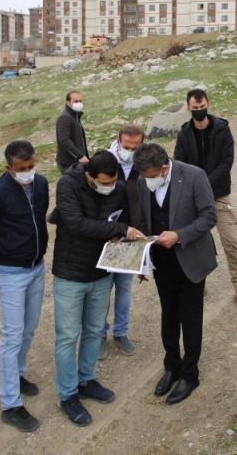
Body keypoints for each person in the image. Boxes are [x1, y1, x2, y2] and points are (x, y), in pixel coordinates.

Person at [51, 150, 144, 426]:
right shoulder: (68, 185)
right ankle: (68, 395)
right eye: (103, 182)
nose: (109, 187)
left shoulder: (116, 187)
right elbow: (75, 223)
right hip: (70, 273)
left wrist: (129, 241)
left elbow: (123, 218)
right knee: (68, 336)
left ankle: (86, 380)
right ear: (90, 176)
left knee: (94, 330)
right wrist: (117, 229)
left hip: (101, 272)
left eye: (113, 182)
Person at [0, 141, 49, 433]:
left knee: (29, 329)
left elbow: (39, 217)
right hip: (11, 272)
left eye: (31, 167)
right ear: (9, 168)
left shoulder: (41, 184)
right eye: (21, 169)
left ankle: (17, 375)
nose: (28, 173)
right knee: (12, 335)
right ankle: (10, 404)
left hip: (37, 267)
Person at [133, 143, 217, 405]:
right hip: (162, 261)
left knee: (190, 318)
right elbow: (146, 221)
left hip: (190, 259)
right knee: (168, 316)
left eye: (151, 176)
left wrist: (180, 235)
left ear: (165, 168)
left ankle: (190, 375)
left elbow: (209, 216)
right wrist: (142, 261)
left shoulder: (194, 176)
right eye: (144, 177)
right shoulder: (143, 180)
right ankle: (172, 366)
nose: (147, 182)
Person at [174, 88, 237, 312]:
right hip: (192, 199)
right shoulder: (184, 134)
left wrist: (204, 183)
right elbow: (179, 163)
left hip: (218, 196)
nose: (199, 111)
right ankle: (198, 284)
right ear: (188, 108)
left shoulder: (222, 129)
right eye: (195, 108)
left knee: (231, 243)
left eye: (202, 107)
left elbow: (227, 161)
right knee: (195, 244)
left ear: (208, 104)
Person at [99, 124, 145, 358]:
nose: (130, 151)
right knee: (103, 290)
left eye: (135, 147)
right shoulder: (105, 161)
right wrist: (112, 231)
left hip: (131, 236)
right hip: (108, 237)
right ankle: (99, 335)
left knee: (124, 288)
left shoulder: (143, 162)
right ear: (118, 141)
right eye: (127, 147)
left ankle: (121, 332)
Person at [56, 90, 88, 172]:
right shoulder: (65, 118)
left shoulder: (75, 117)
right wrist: (80, 156)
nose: (79, 103)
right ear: (68, 102)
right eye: (76, 101)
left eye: (80, 101)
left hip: (77, 161)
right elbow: (64, 140)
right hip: (69, 163)